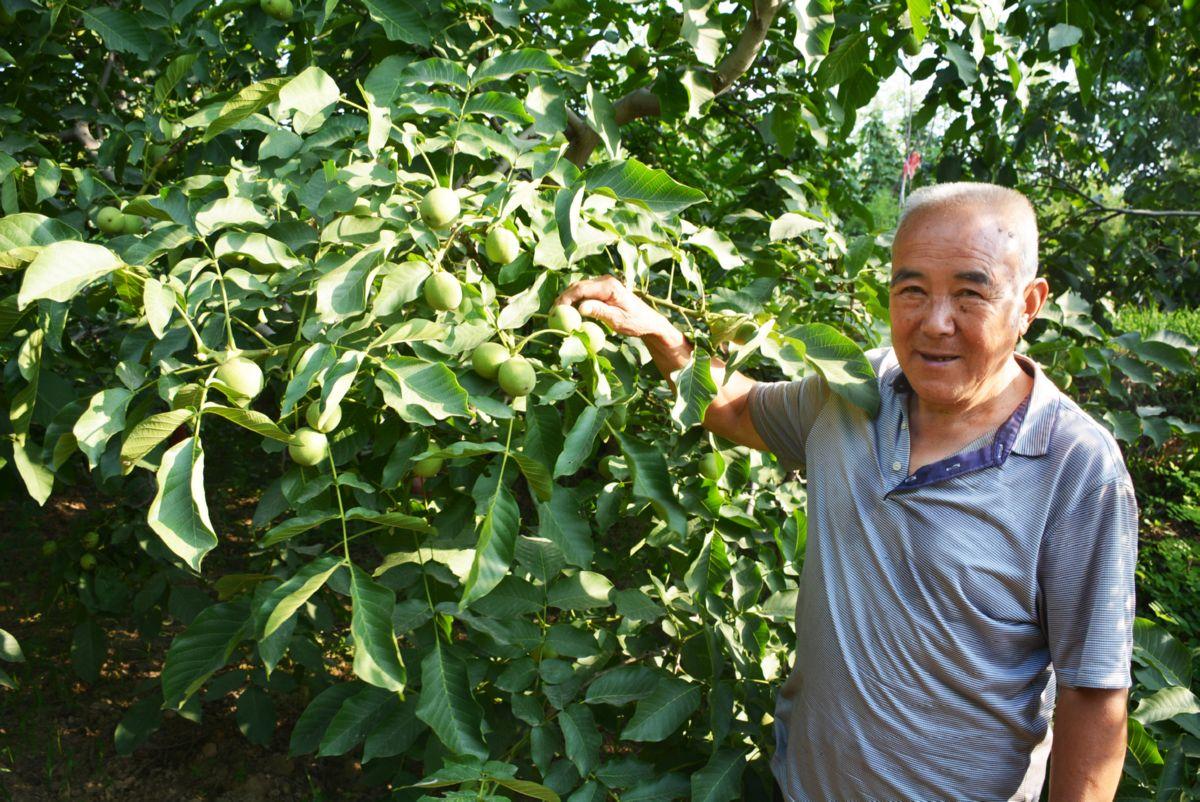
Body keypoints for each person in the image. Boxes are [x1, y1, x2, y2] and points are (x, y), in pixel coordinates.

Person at [555, 182, 1137, 802]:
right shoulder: (855, 389)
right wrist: (661, 336)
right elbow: (737, 409)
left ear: (1028, 303)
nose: (936, 322)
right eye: (912, 291)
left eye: (970, 293)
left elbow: (1094, 695)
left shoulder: (1076, 466)